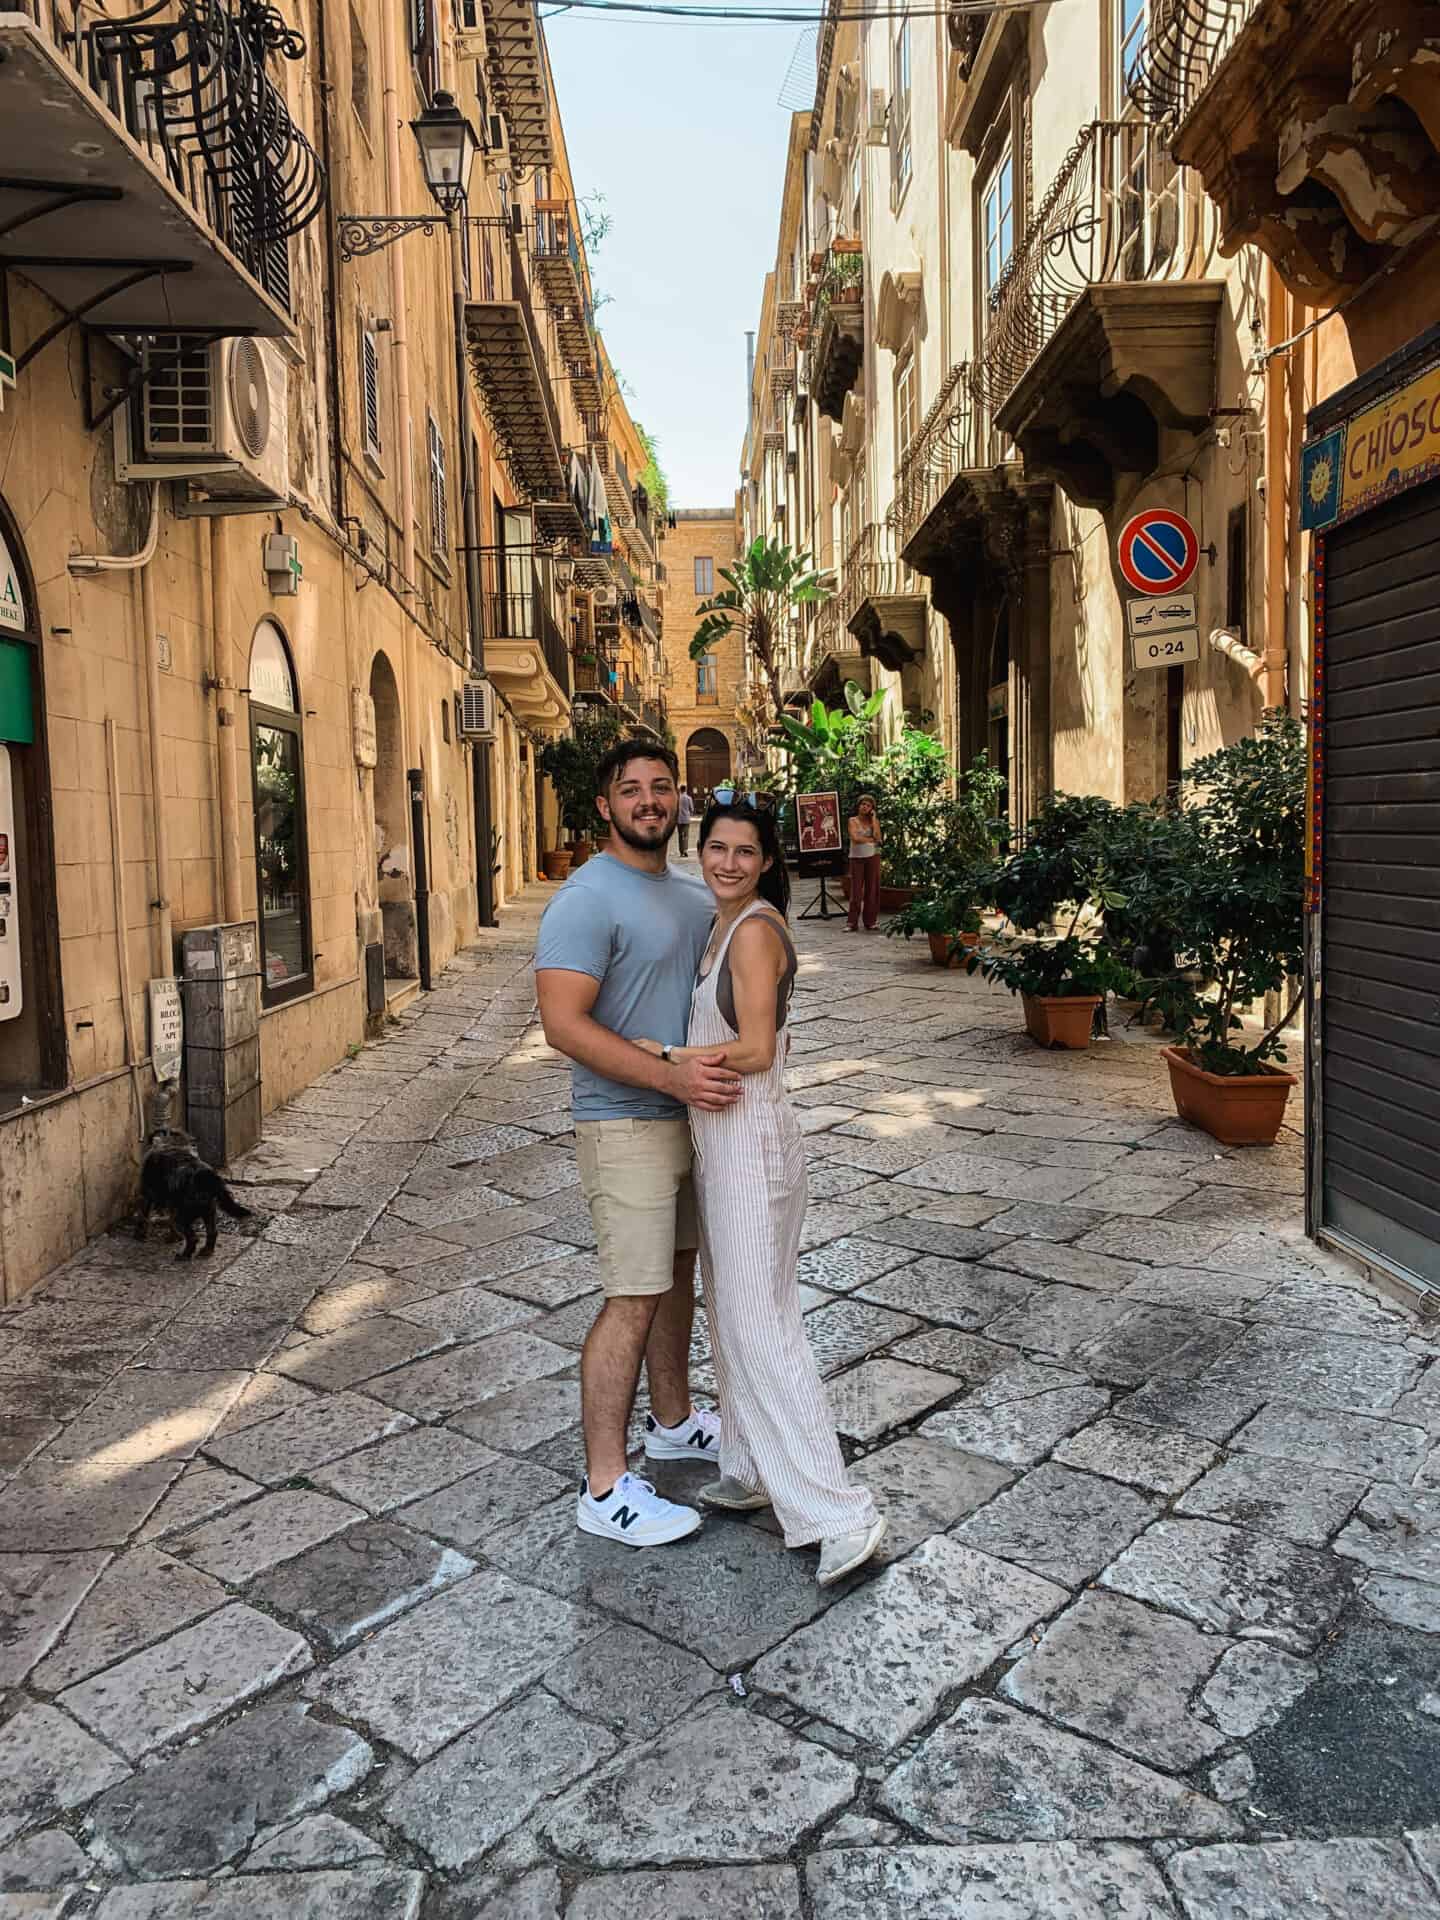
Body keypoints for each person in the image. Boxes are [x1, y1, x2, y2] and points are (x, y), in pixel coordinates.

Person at [636, 802, 887, 1587]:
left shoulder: (751, 931)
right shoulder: (725, 923)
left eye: (746, 851)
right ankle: (747, 1466)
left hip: (750, 1144)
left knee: (762, 1324)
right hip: (725, 1140)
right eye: (717, 847)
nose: (730, 862)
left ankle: (838, 1511)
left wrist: (664, 1052)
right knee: (734, 1313)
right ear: (699, 849)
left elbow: (752, 1047)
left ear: (767, 858)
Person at [536, 742, 740, 1548]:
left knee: (674, 1275)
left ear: (677, 800)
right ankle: (606, 1485)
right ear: (605, 806)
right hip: (623, 1121)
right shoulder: (585, 899)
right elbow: (562, 1025)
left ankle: (674, 1420)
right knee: (631, 1293)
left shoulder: (691, 900)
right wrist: (668, 1080)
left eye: (660, 787)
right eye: (631, 790)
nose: (649, 800)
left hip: (691, 1120)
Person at [847, 793, 882, 933]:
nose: (865, 807)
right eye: (863, 804)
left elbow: (879, 838)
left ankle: (870, 921)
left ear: (872, 808)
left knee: (872, 889)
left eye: (868, 805)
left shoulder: (875, 821)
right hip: (856, 858)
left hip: (873, 856)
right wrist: (871, 840)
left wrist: (874, 819)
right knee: (856, 891)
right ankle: (851, 923)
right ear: (859, 805)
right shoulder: (852, 820)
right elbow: (855, 838)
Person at [676, 784, 695, 858]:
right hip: (686, 819)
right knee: (686, 835)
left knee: (680, 836)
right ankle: (685, 850)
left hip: (679, 819)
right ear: (685, 790)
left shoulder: (677, 798)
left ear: (680, 790)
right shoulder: (688, 798)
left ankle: (681, 851)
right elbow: (692, 809)